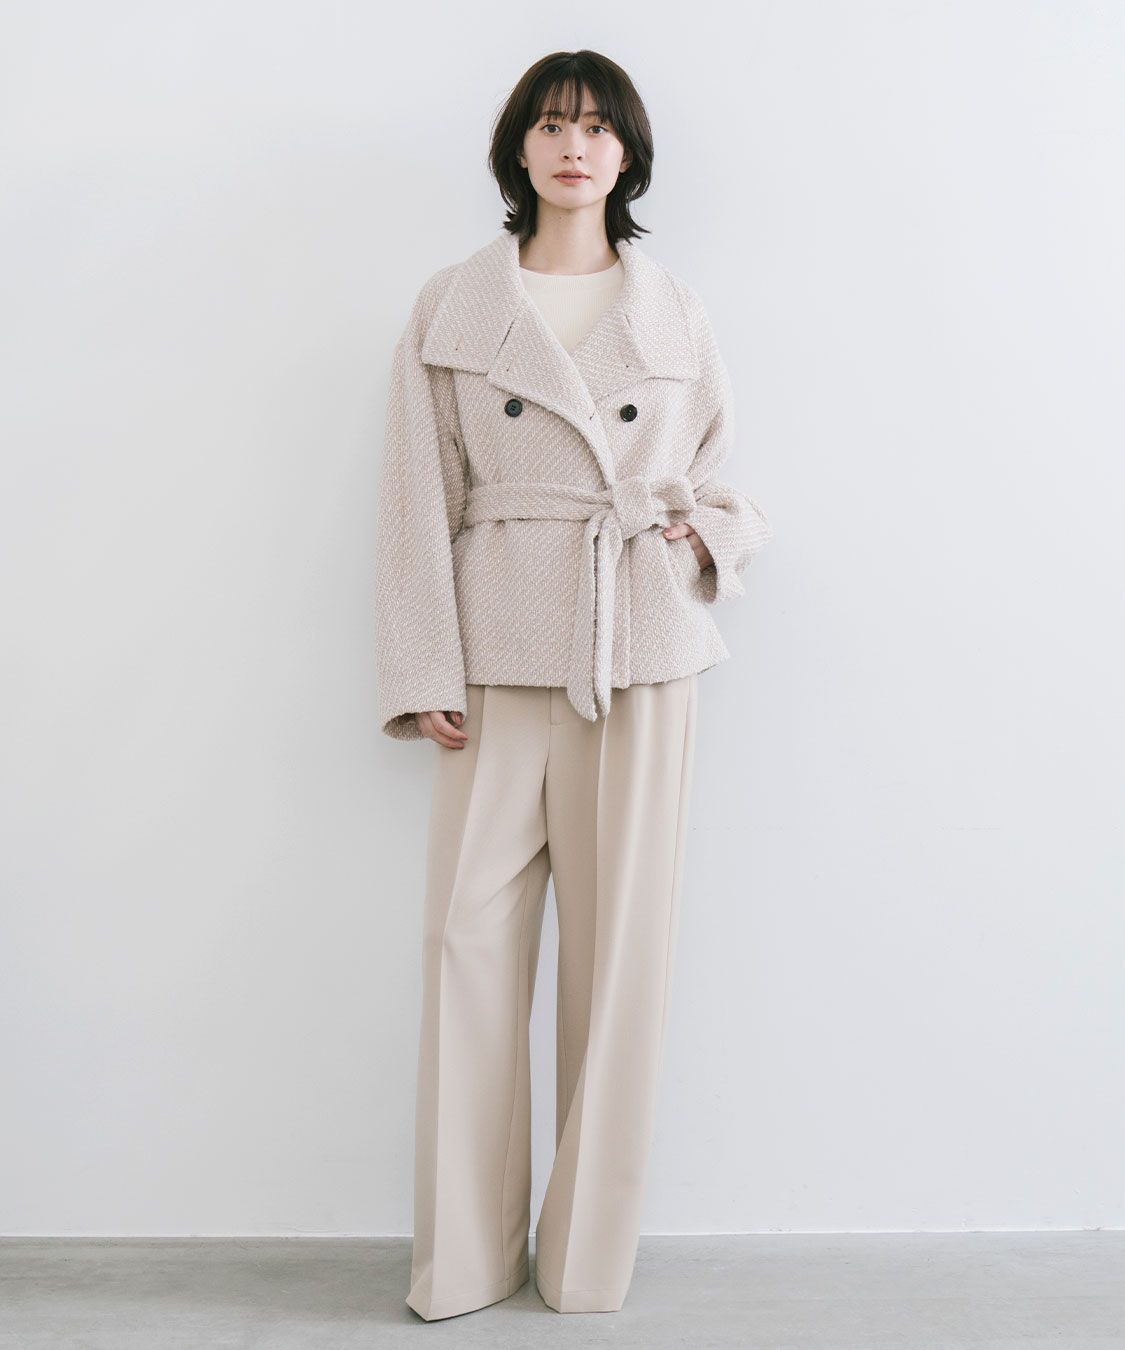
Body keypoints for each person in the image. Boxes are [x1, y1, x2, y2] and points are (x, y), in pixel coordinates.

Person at [374, 48, 773, 1320]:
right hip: (497, 652)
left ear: (628, 155)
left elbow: (724, 480)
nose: (574, 147)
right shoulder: (454, 304)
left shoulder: (673, 310)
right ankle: (464, 1260)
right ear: (518, 148)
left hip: (638, 649)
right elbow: (415, 499)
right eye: (551, 125)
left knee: (619, 962)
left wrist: (701, 542)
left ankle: (585, 1265)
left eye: (598, 129)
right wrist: (421, 668)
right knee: (465, 945)